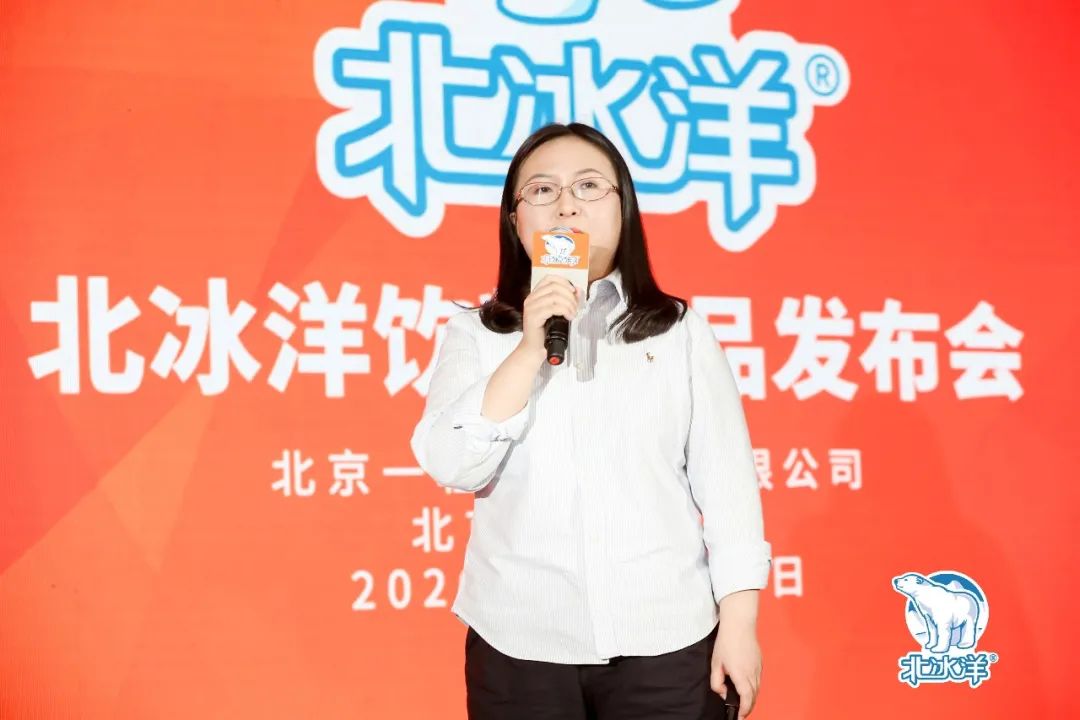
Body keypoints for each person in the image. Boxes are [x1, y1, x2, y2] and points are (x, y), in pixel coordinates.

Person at [410, 122, 771, 720]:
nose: (566, 205)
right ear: (515, 220)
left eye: (587, 186)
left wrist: (739, 622)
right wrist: (528, 348)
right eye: (542, 190)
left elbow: (728, 486)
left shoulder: (678, 332)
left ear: (622, 210)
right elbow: (450, 464)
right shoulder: (475, 334)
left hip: (666, 641)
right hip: (518, 643)